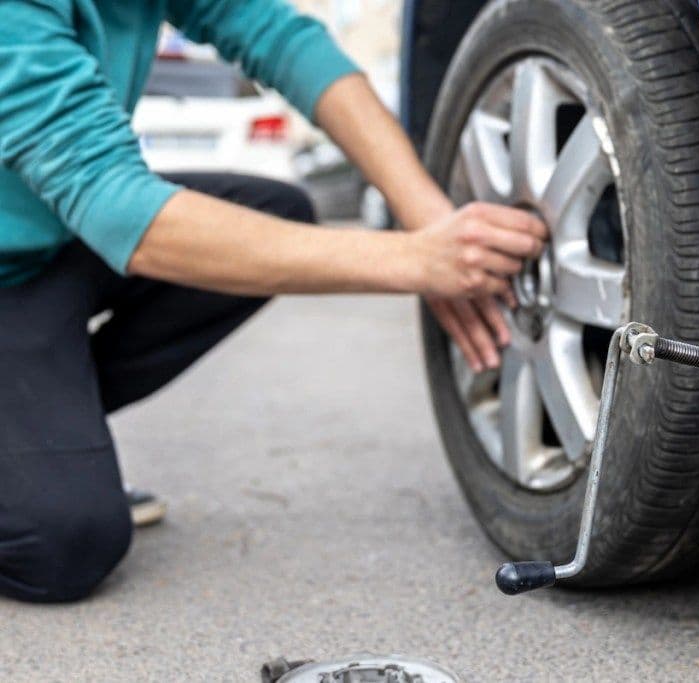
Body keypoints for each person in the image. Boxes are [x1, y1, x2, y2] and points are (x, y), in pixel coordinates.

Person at [0, 0, 546, 603]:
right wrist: (416, 260)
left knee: (278, 213)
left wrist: (430, 218)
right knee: (65, 543)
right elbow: (116, 206)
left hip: (44, 246)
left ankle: (37, 429)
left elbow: (280, 39)